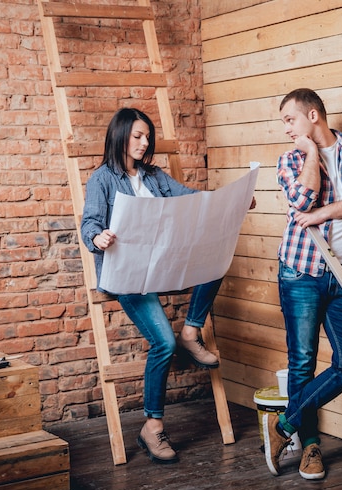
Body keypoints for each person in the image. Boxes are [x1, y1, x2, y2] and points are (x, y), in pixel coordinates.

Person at [81, 107, 243, 464]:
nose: (144, 142)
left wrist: (231, 203)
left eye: (147, 137)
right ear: (121, 136)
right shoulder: (103, 179)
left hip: (163, 265)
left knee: (216, 260)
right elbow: (88, 223)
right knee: (163, 344)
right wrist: (99, 238)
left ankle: (193, 329)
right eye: (137, 136)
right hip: (128, 275)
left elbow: (191, 199)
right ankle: (152, 426)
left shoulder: (155, 177)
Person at [263, 88, 342, 480]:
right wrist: (312, 153)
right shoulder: (291, 159)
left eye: (290, 120)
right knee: (301, 363)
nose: (285, 129)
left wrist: (326, 214)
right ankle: (311, 448)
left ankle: (284, 425)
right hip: (299, 271)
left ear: (313, 115)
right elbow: (302, 199)